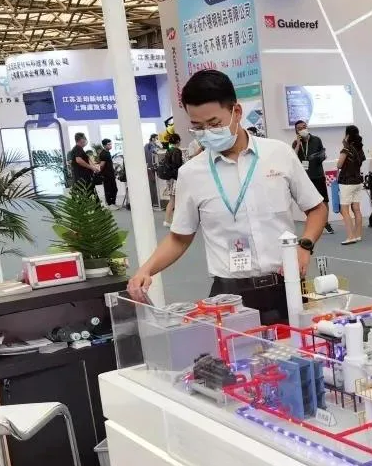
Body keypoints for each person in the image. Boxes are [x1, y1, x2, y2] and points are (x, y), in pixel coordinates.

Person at [127, 70, 329, 323]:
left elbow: (317, 208)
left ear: (237, 112)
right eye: (198, 127)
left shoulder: (278, 154)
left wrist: (305, 245)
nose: (207, 132)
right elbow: (179, 237)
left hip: (286, 286)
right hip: (229, 297)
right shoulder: (191, 173)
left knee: (296, 345)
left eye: (214, 124)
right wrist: (146, 270)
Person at [292, 119, 335, 234]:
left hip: (318, 174)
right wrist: (298, 144)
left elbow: (323, 153)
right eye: (299, 129)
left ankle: (326, 223)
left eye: (304, 127)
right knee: (309, 201)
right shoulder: (296, 143)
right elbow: (293, 158)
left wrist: (321, 156)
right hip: (305, 177)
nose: (302, 129)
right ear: (296, 131)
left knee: (324, 200)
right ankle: (315, 222)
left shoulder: (316, 140)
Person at [337, 125, 366, 245]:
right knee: (357, 209)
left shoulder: (346, 149)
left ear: (347, 135)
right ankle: (358, 235)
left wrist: (345, 145)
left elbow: (339, 165)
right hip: (357, 182)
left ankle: (350, 236)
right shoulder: (359, 149)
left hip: (347, 183)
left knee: (344, 210)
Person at [69, 133, 100, 197]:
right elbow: (79, 160)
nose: (86, 140)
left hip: (83, 178)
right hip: (82, 179)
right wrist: (92, 167)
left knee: (89, 196)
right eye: (84, 138)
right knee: (88, 196)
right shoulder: (78, 148)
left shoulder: (79, 149)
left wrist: (93, 166)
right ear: (81, 139)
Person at [99, 138, 118, 209]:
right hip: (106, 175)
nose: (110, 145)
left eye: (111, 144)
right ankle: (110, 204)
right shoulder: (103, 154)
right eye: (108, 144)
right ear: (104, 145)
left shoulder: (108, 153)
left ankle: (112, 203)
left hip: (111, 174)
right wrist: (101, 173)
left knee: (114, 189)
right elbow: (101, 165)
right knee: (109, 190)